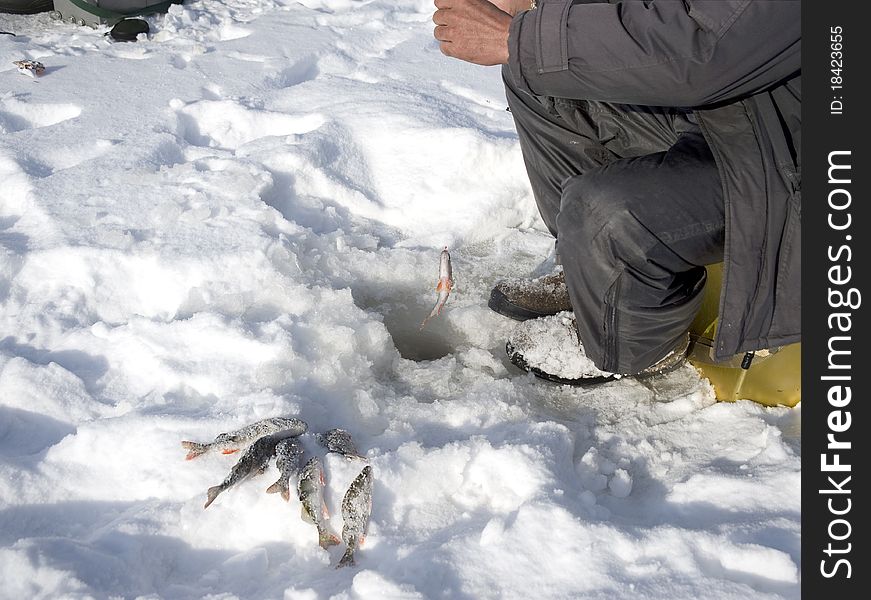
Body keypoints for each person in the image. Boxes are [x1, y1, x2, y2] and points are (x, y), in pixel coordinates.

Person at [432, 0, 801, 384]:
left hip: (791, 160)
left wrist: (518, 39)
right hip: (729, 114)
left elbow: (706, 47)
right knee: (542, 82)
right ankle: (592, 280)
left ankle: (628, 344)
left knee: (603, 212)